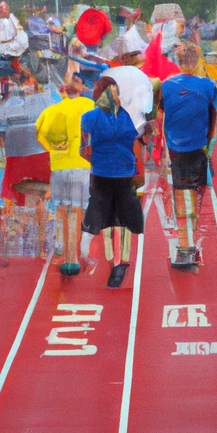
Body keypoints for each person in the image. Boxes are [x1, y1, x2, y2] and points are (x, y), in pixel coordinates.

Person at [81, 78, 146, 288]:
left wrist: (97, 161)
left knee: (106, 217)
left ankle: (111, 260)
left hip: (101, 173)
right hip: (124, 172)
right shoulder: (125, 116)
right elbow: (133, 141)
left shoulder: (88, 117)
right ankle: (121, 261)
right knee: (124, 217)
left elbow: (84, 148)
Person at [160, 42, 217, 267]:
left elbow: (161, 116)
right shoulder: (208, 86)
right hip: (198, 147)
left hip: (176, 148)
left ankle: (186, 247)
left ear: (179, 62)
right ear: (197, 62)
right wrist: (208, 144)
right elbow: (212, 116)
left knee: (181, 198)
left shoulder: (166, 86)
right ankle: (189, 243)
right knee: (194, 195)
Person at [35, 74, 96, 275]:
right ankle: (73, 258)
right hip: (80, 165)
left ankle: (62, 246)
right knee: (76, 212)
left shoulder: (50, 111)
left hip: (59, 166)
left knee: (62, 208)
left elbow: (41, 136)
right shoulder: (87, 104)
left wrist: (57, 149)